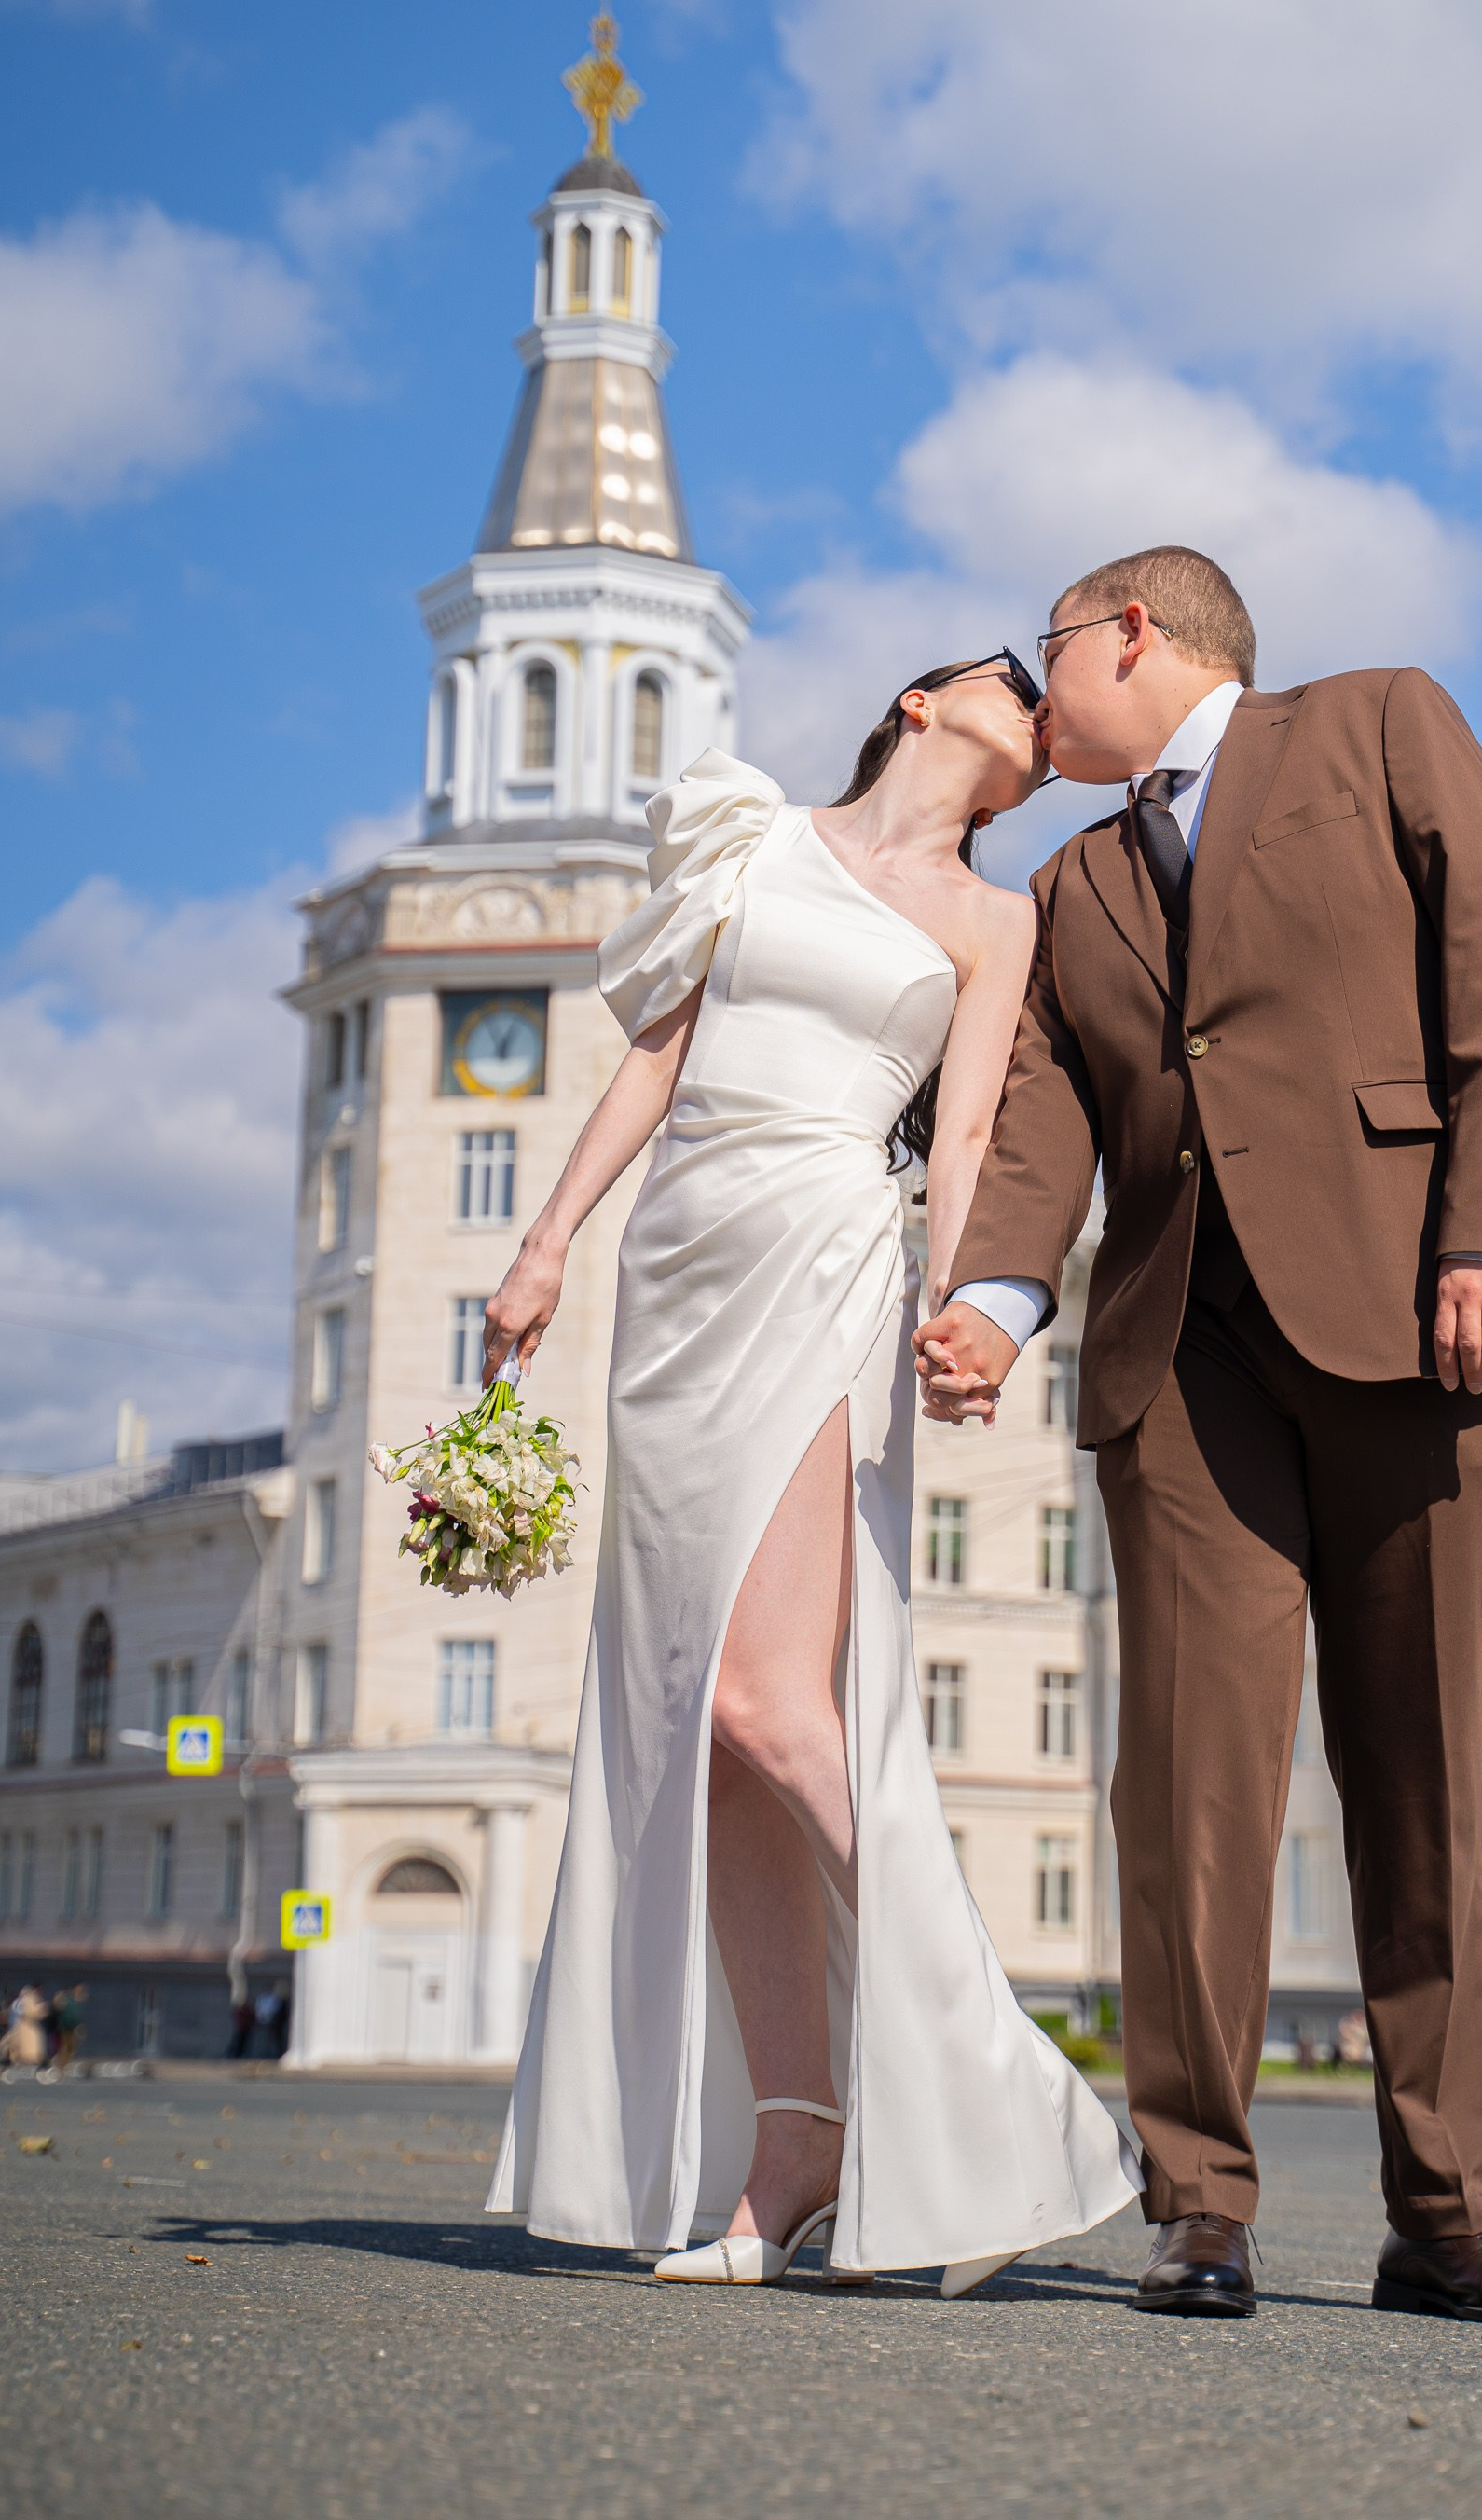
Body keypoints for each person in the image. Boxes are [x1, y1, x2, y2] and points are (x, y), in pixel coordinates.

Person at [919, 546, 1482, 2329]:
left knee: (1416, 1780)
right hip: (1184, 1359)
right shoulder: (1072, 883)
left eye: (1047, 650)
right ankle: (1197, 2207)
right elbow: (1048, 1116)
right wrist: (994, 1298)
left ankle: (1446, 2219)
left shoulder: (1377, 729)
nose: (1034, 683)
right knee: (1192, 1794)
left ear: (1131, 632)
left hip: (1420, 1318)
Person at [481, 661, 1140, 2291]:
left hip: (831, 1261)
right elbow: (657, 1054)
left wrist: (956, 1307)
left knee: (774, 1706)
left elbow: (970, 1136)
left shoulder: (998, 924)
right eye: (1021, 678)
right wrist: (547, 1240)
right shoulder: (749, 834)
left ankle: (998, 2091)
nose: (1045, 707)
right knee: (704, 1737)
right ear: (924, 702)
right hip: (679, 1272)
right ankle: (793, 2159)